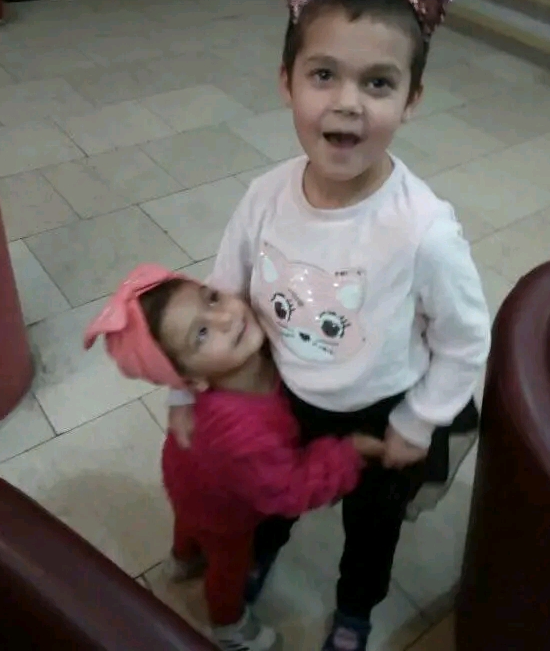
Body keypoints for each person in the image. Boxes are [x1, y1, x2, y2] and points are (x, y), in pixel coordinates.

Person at [167, 0, 491, 651]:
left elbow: (465, 339)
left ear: (412, 99)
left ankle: (354, 613)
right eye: (324, 75)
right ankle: (258, 556)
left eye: (378, 83)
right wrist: (187, 387)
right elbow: (225, 289)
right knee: (272, 497)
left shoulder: (423, 230)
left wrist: (419, 421)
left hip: (382, 410)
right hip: (283, 395)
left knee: (371, 530)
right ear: (286, 82)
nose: (348, 103)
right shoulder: (265, 196)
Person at [83, 264, 385, 651]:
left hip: (184, 475)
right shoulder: (244, 436)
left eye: (211, 299)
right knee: (229, 567)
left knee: (187, 519)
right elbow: (288, 492)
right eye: (201, 334)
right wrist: (346, 455)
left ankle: (182, 559)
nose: (226, 317)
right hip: (222, 512)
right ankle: (228, 624)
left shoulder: (232, 372)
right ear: (191, 381)